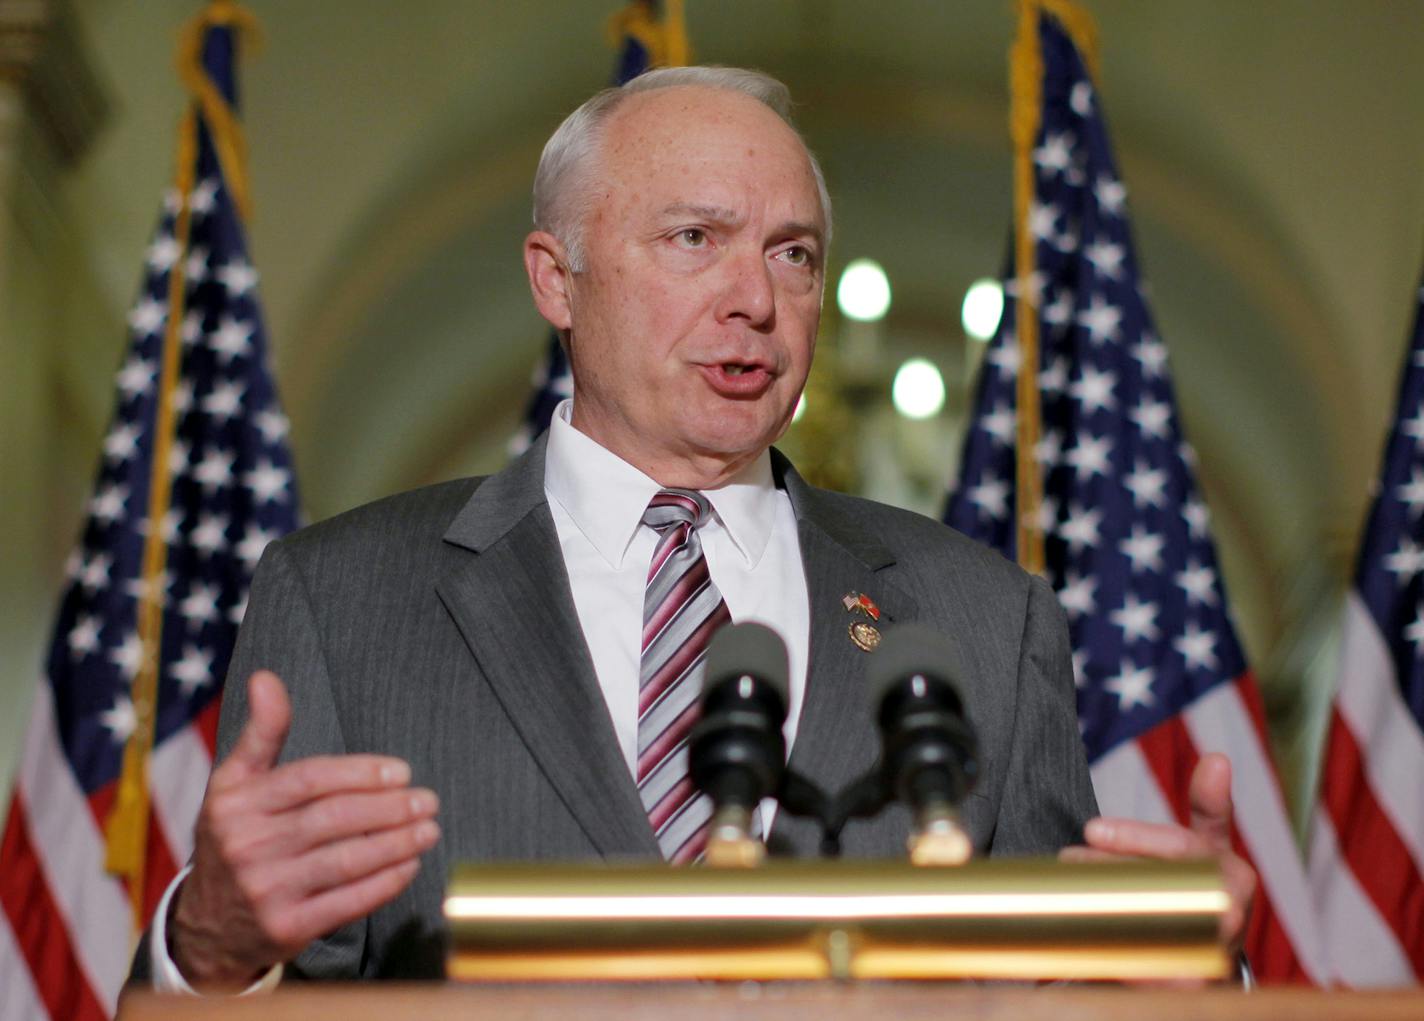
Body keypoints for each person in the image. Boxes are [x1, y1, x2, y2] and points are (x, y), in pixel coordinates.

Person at [135, 66, 1254, 990]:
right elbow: (265, 995)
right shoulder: (343, 601)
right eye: (691, 237)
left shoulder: (980, 616)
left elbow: (1068, 991)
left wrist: (1188, 967)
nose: (755, 299)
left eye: (791, 253)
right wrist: (213, 947)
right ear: (554, 279)